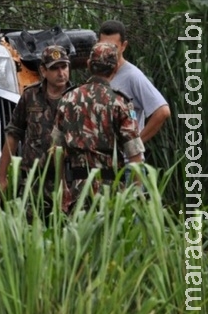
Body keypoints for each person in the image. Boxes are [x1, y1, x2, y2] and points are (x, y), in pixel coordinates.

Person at [51, 43, 145, 211]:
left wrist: (60, 191)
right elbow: (135, 156)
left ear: (88, 65)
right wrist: (137, 199)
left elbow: (56, 150)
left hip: (75, 193)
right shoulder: (121, 103)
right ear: (115, 68)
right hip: (111, 195)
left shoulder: (67, 99)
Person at [0, 45, 73, 213]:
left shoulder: (77, 98)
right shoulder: (30, 96)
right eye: (54, 68)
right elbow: (13, 134)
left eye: (64, 66)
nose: (61, 73)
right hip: (33, 180)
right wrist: (1, 177)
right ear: (43, 71)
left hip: (67, 182)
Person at [98, 20, 170, 144]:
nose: (108, 52)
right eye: (104, 46)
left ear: (123, 46)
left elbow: (162, 111)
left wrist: (136, 144)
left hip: (126, 158)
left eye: (113, 47)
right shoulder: (97, 71)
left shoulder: (132, 76)